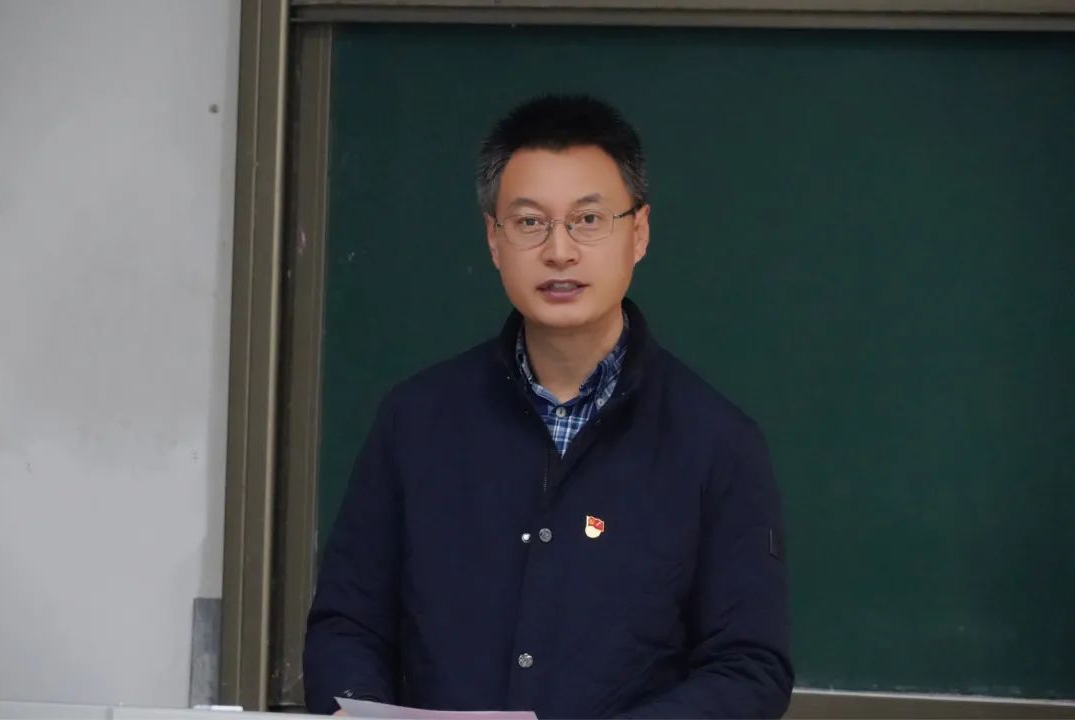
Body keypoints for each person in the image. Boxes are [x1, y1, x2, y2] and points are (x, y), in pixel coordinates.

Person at [303, 94, 793, 718]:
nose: (559, 251)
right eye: (530, 222)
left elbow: (748, 668)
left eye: (588, 220)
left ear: (639, 232)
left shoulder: (717, 443)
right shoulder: (415, 421)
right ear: (494, 239)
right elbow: (347, 625)